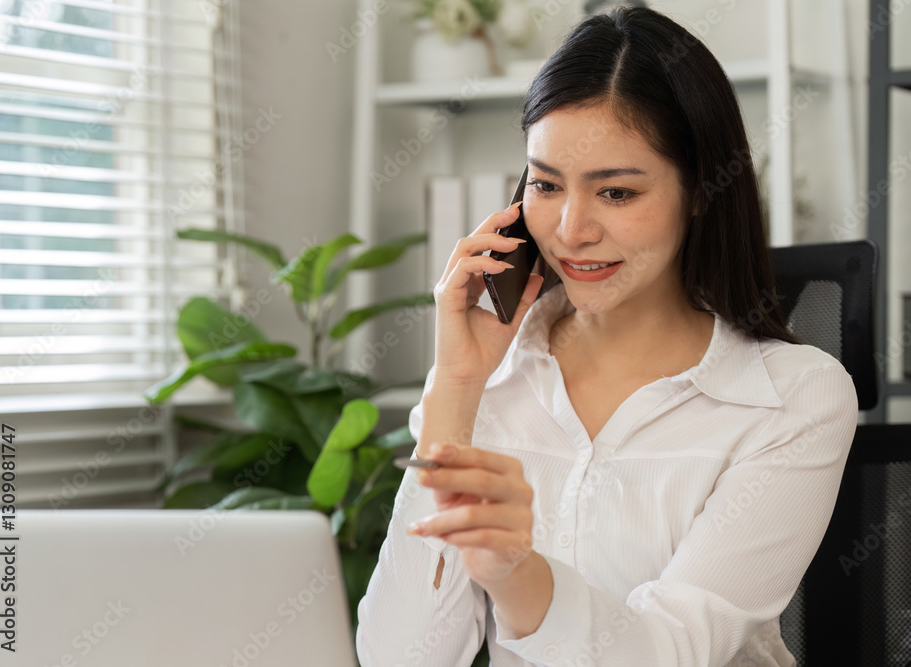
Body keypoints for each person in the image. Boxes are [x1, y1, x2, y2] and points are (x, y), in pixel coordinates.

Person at [356, 6, 859, 666]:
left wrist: (518, 573)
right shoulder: (486, 383)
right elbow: (401, 658)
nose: (571, 230)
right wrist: (455, 384)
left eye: (616, 193)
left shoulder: (790, 398)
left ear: (701, 191)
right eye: (546, 184)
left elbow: (672, 651)